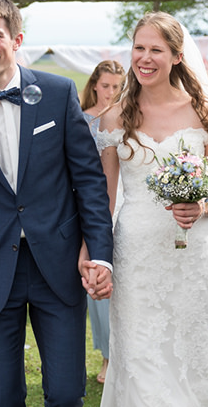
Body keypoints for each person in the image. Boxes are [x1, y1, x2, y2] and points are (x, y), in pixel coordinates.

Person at [0, 0, 114, 407]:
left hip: (60, 265)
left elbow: (89, 181)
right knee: (1, 398)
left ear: (16, 40)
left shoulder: (57, 92)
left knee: (67, 394)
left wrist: (100, 253)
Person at [97, 11, 208, 407]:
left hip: (191, 256)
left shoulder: (204, 111)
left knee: (193, 356)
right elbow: (105, 200)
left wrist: (201, 206)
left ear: (178, 56)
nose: (145, 58)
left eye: (156, 50)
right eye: (139, 48)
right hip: (136, 258)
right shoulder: (114, 116)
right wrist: (94, 255)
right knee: (141, 359)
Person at [80, 59, 125, 385]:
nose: (110, 92)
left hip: (124, 196)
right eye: (106, 85)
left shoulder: (128, 115)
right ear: (95, 84)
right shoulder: (82, 119)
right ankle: (106, 355)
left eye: (116, 87)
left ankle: (124, 352)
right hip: (92, 199)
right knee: (96, 276)